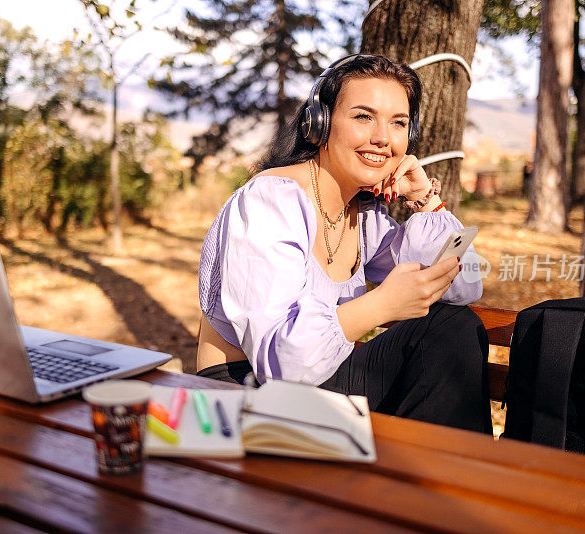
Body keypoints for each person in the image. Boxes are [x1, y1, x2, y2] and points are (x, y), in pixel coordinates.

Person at [196, 54, 491, 434]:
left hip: (317, 386)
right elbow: (280, 365)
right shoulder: (270, 202)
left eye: (398, 123)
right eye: (363, 116)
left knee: (452, 323)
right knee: (445, 331)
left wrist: (426, 201)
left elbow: (464, 286)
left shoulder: (361, 213)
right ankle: (453, 482)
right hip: (243, 395)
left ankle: (442, 481)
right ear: (320, 124)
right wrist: (381, 304)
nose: (383, 137)